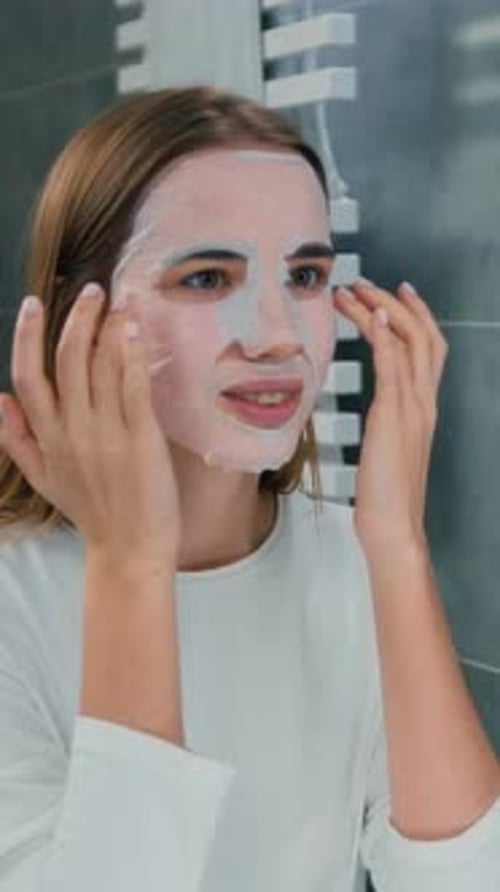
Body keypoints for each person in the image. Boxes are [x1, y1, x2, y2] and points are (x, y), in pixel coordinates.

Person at [0, 86, 498, 892]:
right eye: (205, 278)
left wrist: (396, 548)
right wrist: (130, 569)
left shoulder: (351, 563)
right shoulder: (12, 597)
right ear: (78, 322)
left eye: (306, 274)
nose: (275, 335)